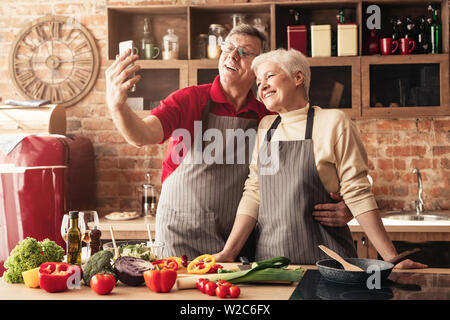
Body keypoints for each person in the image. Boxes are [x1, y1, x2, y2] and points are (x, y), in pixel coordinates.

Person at [105, 25, 353, 260]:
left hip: (236, 243)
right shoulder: (189, 100)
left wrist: (348, 205)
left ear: (258, 68)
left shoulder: (267, 117)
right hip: (178, 236)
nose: (232, 56)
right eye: (228, 48)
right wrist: (117, 106)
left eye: (244, 52)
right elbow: (141, 135)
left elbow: (300, 178)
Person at [214, 48, 427, 269]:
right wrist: (229, 253)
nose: (262, 86)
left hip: (330, 265)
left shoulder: (334, 122)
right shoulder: (266, 127)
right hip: (271, 265)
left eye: (269, 76)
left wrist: (392, 259)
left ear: (298, 77)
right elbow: (254, 192)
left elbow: (357, 191)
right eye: (258, 82)